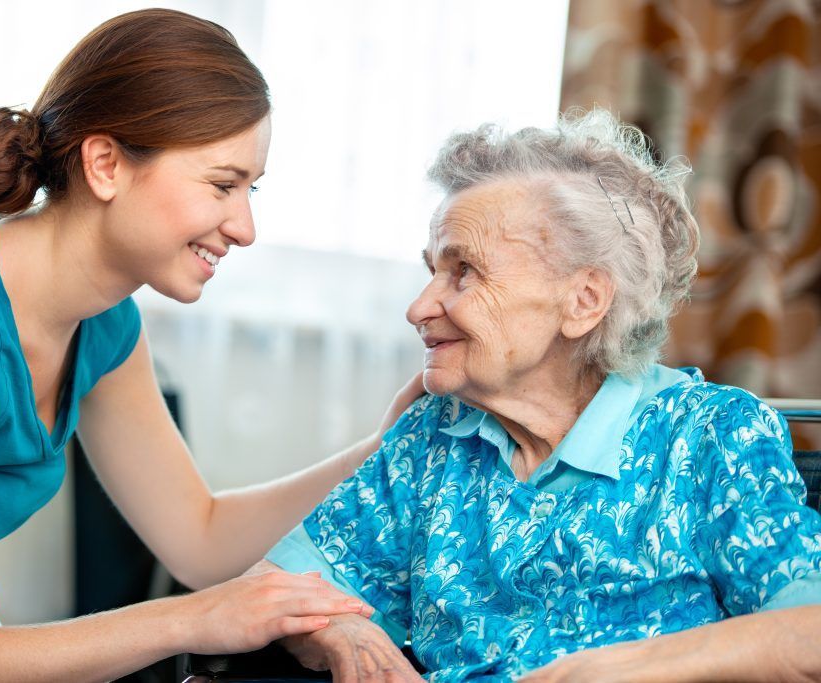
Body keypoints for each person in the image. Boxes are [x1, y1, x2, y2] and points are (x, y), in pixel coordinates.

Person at [0, 9, 423, 682]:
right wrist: (193, 617)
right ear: (104, 164)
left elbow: (199, 537)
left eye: (251, 189)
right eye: (222, 184)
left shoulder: (104, 323)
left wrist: (384, 451)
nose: (244, 226)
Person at [258, 110, 821, 682]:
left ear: (583, 301)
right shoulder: (433, 437)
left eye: (465, 272)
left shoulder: (709, 435)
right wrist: (343, 631)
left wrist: (621, 669)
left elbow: (809, 633)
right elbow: (279, 588)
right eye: (432, 271)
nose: (419, 307)